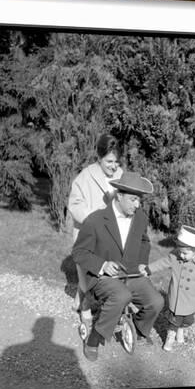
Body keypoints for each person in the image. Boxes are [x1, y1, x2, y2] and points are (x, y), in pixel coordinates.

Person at [72, 171, 164, 361]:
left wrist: (141, 262)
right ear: (119, 196)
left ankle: (137, 330)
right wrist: (102, 265)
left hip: (131, 274)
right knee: (121, 295)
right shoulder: (95, 220)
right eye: (133, 200)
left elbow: (145, 241)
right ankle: (94, 339)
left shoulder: (140, 218)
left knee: (156, 301)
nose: (137, 205)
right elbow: (79, 252)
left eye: (139, 200)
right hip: (103, 277)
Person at [67, 135, 123, 328]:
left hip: (109, 236)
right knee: (85, 270)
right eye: (109, 161)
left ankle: (88, 299)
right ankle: (85, 307)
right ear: (99, 158)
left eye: (116, 161)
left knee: (104, 272)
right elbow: (74, 204)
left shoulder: (120, 175)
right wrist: (93, 218)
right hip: (87, 234)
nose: (114, 166)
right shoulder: (85, 176)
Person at [140, 225, 195, 352]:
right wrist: (149, 269)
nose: (182, 255)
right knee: (174, 320)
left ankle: (181, 331)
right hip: (176, 298)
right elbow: (162, 263)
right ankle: (170, 337)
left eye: (185, 253)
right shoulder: (175, 256)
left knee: (188, 319)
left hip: (191, 299)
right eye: (180, 251)